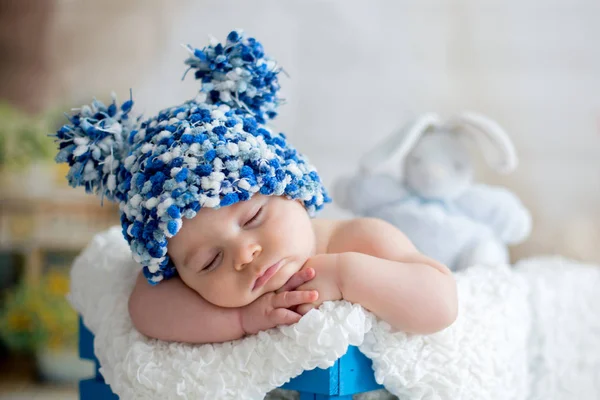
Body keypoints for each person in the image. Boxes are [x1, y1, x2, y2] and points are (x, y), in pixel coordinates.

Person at [53, 30, 458, 345]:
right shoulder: (191, 279)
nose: (244, 254)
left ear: (292, 189)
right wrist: (241, 319)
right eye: (209, 262)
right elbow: (145, 309)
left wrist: (346, 275)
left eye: (253, 217)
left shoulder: (357, 239)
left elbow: (441, 304)